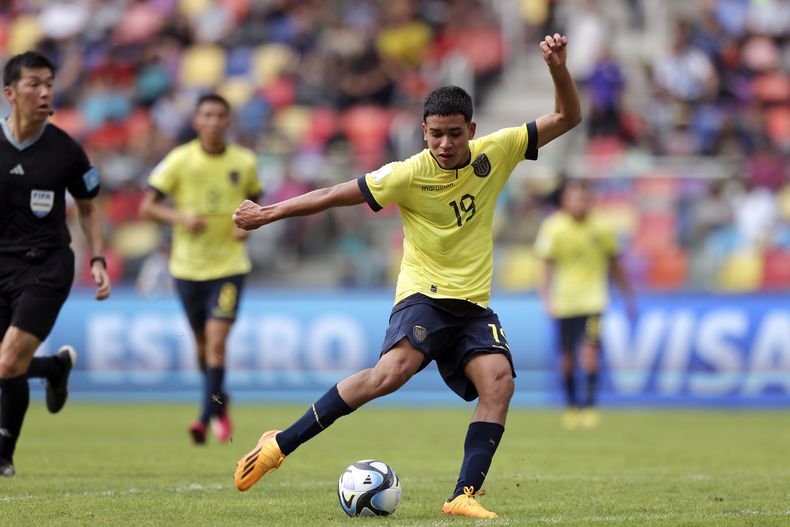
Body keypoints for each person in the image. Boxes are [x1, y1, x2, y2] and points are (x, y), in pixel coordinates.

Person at [230, 33, 581, 519]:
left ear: (471, 129)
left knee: (499, 382)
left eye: (455, 133)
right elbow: (334, 193)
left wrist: (557, 68)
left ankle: (463, 495)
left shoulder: (496, 152)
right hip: (424, 296)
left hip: (473, 304)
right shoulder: (407, 173)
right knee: (388, 376)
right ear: (423, 131)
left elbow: (568, 118)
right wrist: (269, 212)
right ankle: (279, 445)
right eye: (435, 133)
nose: (444, 143)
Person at [0, 51, 112, 477]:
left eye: (49, 83)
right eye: (34, 84)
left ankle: (4, 452)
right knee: (5, 363)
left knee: (8, 362)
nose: (45, 92)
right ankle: (51, 369)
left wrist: (97, 256)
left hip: (46, 264)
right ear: (10, 93)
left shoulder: (66, 149)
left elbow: (88, 208)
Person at [139, 94, 261, 445]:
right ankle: (221, 403)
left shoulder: (245, 161)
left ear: (229, 121)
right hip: (187, 268)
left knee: (217, 342)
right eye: (207, 115)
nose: (214, 121)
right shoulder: (179, 160)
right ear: (196, 121)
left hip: (229, 267)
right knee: (201, 346)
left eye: (221, 115)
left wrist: (246, 226)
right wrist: (180, 217)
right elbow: (147, 206)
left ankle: (203, 418)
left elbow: (257, 202)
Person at [535, 179, 635, 430]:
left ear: (590, 200)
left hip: (594, 300)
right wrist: (546, 300)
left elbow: (616, 264)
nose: (579, 203)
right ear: (565, 201)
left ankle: (589, 407)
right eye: (574, 198)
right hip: (565, 302)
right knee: (567, 358)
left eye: (583, 198)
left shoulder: (602, 227)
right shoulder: (553, 228)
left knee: (589, 354)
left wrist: (628, 296)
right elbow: (545, 267)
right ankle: (572, 408)